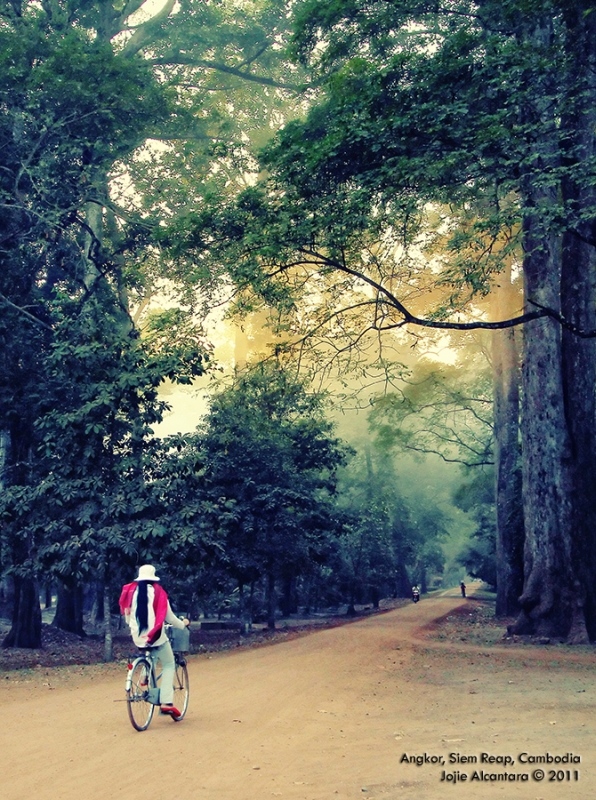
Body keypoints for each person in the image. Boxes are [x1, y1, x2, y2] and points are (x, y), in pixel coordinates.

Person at [119, 564, 190, 719]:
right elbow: (170, 618)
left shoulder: (130, 592)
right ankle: (166, 702)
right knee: (169, 663)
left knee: (149, 650)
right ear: (153, 577)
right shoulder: (159, 592)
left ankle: (145, 674)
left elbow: (126, 618)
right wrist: (183, 624)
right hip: (156, 636)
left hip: (137, 637)